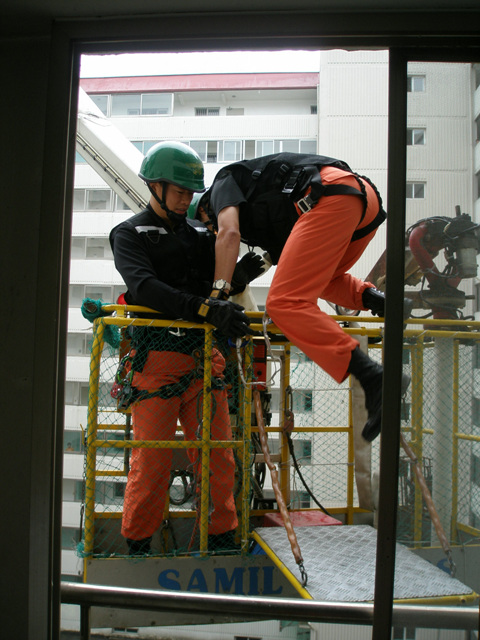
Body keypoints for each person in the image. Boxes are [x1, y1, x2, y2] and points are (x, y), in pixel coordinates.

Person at [198, 152, 409, 443]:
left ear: (204, 207)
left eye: (209, 224)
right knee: (318, 281)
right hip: (362, 202)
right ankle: (378, 300)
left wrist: (218, 295)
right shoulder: (264, 216)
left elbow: (229, 233)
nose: (212, 229)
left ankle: (374, 378)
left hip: (329, 193)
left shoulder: (222, 183)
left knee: (283, 303)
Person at [109, 141, 251, 555]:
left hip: (204, 359)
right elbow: (144, 288)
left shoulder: (201, 235)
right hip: (156, 362)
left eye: (190, 192)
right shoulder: (129, 234)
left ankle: (219, 538)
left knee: (218, 457)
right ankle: (138, 544)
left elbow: (211, 285)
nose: (185, 198)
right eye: (178, 190)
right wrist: (204, 308)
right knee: (151, 462)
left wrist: (240, 275)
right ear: (154, 185)